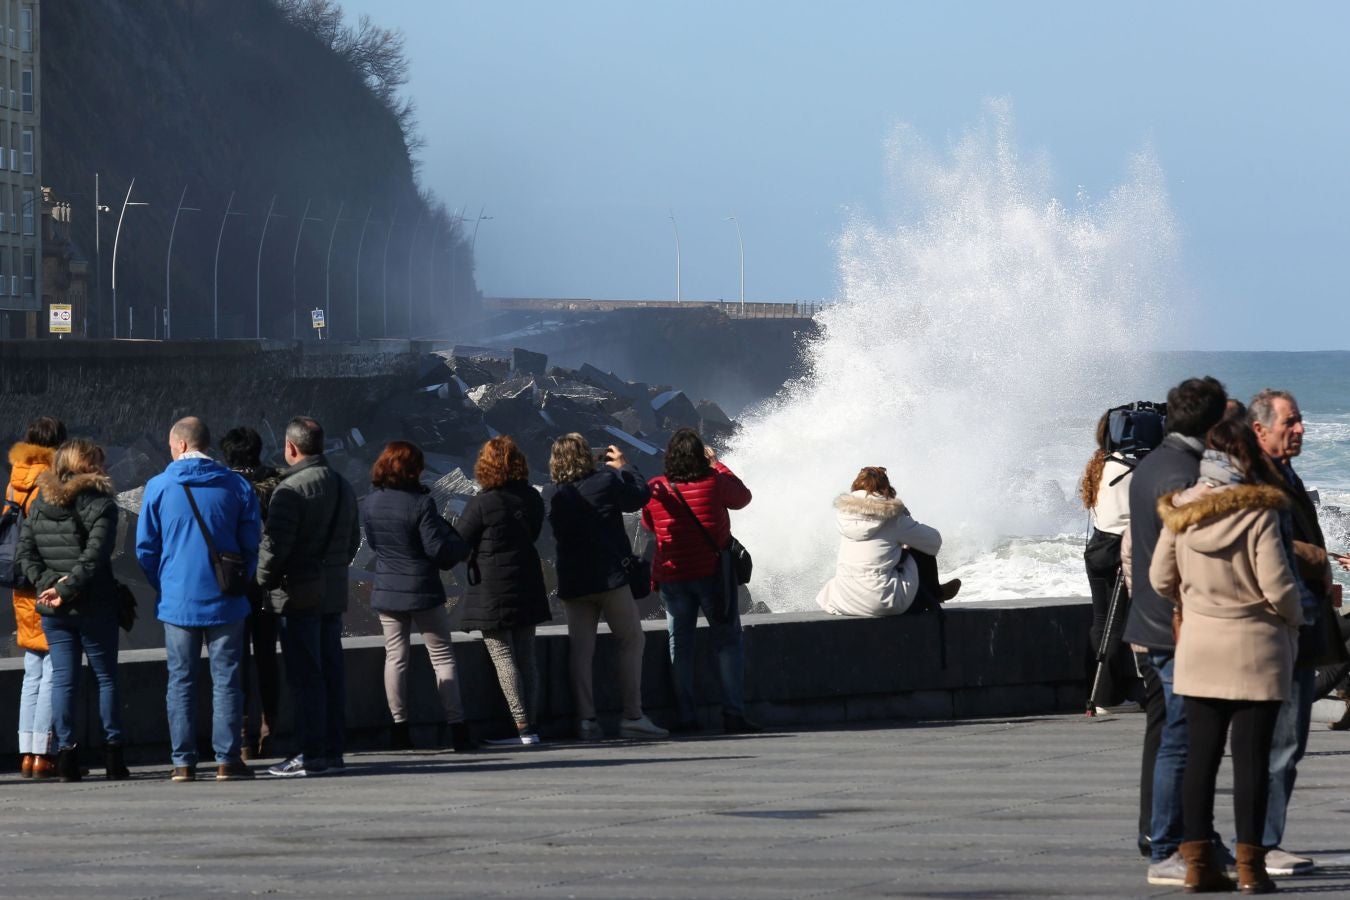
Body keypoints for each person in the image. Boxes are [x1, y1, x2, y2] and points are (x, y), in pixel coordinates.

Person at [1150, 419, 1303, 893]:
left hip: (1199, 648)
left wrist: (1193, 601)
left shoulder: (1182, 515)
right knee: (1252, 760)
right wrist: (1294, 617)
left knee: (1201, 757)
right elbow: (1277, 584)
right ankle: (1252, 871)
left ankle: (1198, 866)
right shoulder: (1259, 515)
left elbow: (1159, 580)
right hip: (1256, 649)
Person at [1120, 376, 1228, 886]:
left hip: (1156, 620)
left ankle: (1189, 839)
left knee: (1179, 738)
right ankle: (1167, 847)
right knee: (1181, 741)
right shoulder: (1182, 475)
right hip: (1176, 627)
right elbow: (1179, 561)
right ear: (1210, 423)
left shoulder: (1152, 464)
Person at [1250, 388, 1346, 876]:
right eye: (1290, 422)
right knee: (1280, 742)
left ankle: (1266, 839)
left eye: (1301, 420)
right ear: (1259, 430)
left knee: (1289, 743)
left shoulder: (1284, 473)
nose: (1300, 429)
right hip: (1277, 631)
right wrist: (1320, 560)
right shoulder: (1258, 478)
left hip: (1302, 627)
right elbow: (1270, 546)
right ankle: (1263, 844)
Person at [135, 417, 262, 782]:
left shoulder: (159, 486)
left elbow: (145, 548)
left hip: (177, 599)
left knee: (181, 681)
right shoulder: (237, 485)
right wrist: (240, 580)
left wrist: (164, 583)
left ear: (179, 445)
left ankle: (183, 763)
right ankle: (227, 759)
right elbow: (251, 542)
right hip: (227, 599)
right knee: (227, 679)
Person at [16, 438, 128, 782]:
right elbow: (96, 556)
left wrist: (51, 587)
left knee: (64, 680)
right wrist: (65, 588)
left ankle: (66, 756)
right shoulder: (102, 504)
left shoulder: (40, 502)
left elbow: (26, 554)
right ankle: (113, 756)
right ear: (90, 465)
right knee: (106, 677)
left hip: (54, 610)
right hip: (94, 605)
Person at [544, 433, 667, 741]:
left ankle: (586, 721)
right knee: (631, 641)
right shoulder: (604, 482)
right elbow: (639, 497)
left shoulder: (553, 493)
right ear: (586, 455)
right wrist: (625, 467)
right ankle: (632, 716)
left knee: (581, 652)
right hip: (610, 579)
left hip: (573, 583)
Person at [256, 416, 360, 777]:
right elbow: (352, 541)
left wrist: (262, 580)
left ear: (290, 447)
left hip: (298, 595)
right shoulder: (343, 485)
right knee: (331, 673)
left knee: (304, 676)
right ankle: (332, 750)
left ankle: (309, 752)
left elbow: (275, 546)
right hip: (332, 594)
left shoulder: (290, 490)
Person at [361, 440, 474, 752]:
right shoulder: (421, 504)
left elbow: (373, 543)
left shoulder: (370, 503)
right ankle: (458, 728)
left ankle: (399, 728)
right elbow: (436, 549)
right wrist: (460, 549)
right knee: (442, 658)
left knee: (395, 658)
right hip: (423, 590)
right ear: (414, 470)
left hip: (387, 591)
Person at [641, 427, 755, 734]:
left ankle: (686, 716)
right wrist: (717, 463)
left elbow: (648, 524)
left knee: (680, 643)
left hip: (674, 576)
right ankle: (733, 713)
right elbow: (743, 497)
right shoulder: (714, 482)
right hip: (712, 575)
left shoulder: (655, 488)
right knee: (728, 642)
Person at [455, 436, 550, 745]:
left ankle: (520, 725)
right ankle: (532, 725)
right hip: (527, 582)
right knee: (527, 657)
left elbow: (460, 540)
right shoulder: (532, 498)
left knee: (502, 655)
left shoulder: (482, 502)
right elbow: (534, 534)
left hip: (492, 588)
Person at [814, 465, 959, 617]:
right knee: (918, 547)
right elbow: (933, 542)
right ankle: (935, 593)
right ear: (886, 489)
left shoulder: (845, 518)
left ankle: (934, 592)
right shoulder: (892, 518)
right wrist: (906, 517)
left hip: (845, 600)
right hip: (882, 602)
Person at [219, 426, 283, 761]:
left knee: (236, 659)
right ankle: (270, 731)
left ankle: (242, 736)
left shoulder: (221, 487)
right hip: (269, 583)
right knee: (268, 660)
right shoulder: (278, 486)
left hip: (233, 582)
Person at [9, 416, 66, 778]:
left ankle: (26, 752)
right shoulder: (51, 479)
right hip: (45, 579)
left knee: (32, 669)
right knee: (51, 669)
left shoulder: (15, 478)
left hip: (19, 580)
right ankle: (44, 753)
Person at [1080, 413, 1143, 714]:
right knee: (1115, 626)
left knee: (1101, 620)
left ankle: (1100, 691)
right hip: (1120, 549)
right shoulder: (1129, 469)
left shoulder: (1097, 465)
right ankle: (1107, 696)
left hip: (1097, 548)